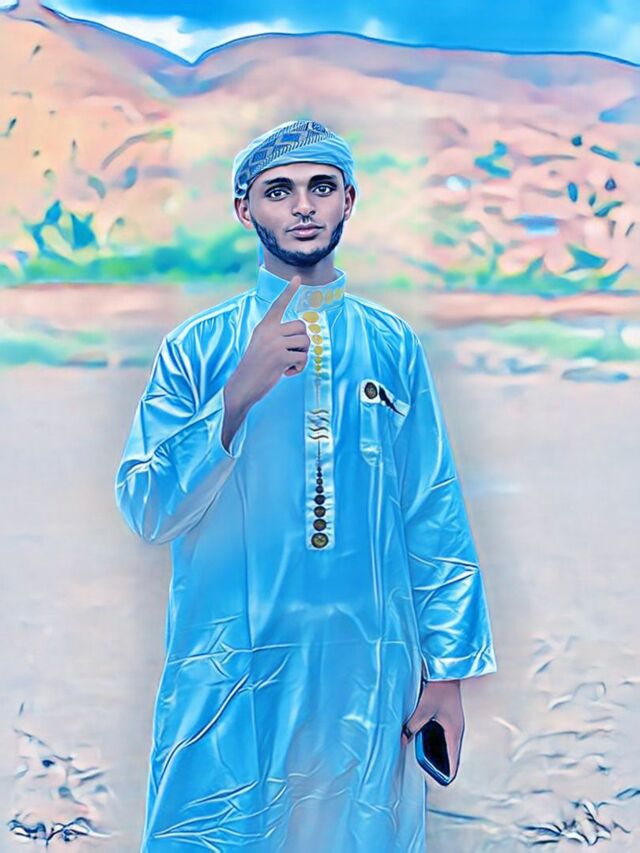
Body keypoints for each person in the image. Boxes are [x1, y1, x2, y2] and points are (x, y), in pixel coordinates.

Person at [114, 118, 498, 851]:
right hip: (230, 667)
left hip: (369, 671)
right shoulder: (198, 347)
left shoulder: (390, 344)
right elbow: (147, 506)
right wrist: (237, 394)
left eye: (321, 187)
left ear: (349, 199)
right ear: (244, 208)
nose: (302, 206)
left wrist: (447, 674)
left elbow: (432, 508)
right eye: (278, 190)